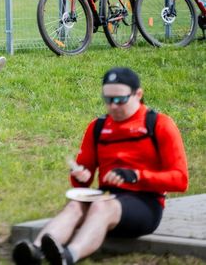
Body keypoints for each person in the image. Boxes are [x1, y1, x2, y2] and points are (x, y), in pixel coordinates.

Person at [12, 67, 188, 265]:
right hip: (106, 196)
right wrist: (80, 175)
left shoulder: (159, 124)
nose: (113, 106)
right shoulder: (98, 126)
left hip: (145, 202)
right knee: (75, 205)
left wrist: (136, 176)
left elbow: (180, 180)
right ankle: (35, 251)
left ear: (138, 94)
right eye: (107, 99)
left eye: (120, 100)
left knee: (101, 207)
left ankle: (68, 256)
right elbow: (83, 180)